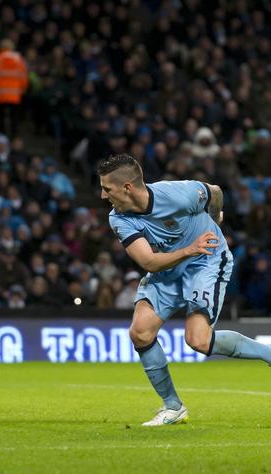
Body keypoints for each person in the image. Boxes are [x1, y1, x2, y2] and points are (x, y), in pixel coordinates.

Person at [99, 154, 271, 426]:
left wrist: (214, 221)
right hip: (168, 267)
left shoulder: (178, 194)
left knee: (199, 341)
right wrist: (188, 249)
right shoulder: (119, 218)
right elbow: (148, 262)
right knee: (140, 332)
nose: (102, 195)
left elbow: (214, 192)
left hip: (206, 262)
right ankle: (172, 407)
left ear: (127, 188)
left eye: (107, 188)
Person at [0, 39, 28, 136]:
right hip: (15, 93)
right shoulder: (19, 60)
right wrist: (23, 89)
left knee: (1, 115)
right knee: (14, 116)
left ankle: (2, 133)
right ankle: (14, 135)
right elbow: (23, 76)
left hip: (0, 93)